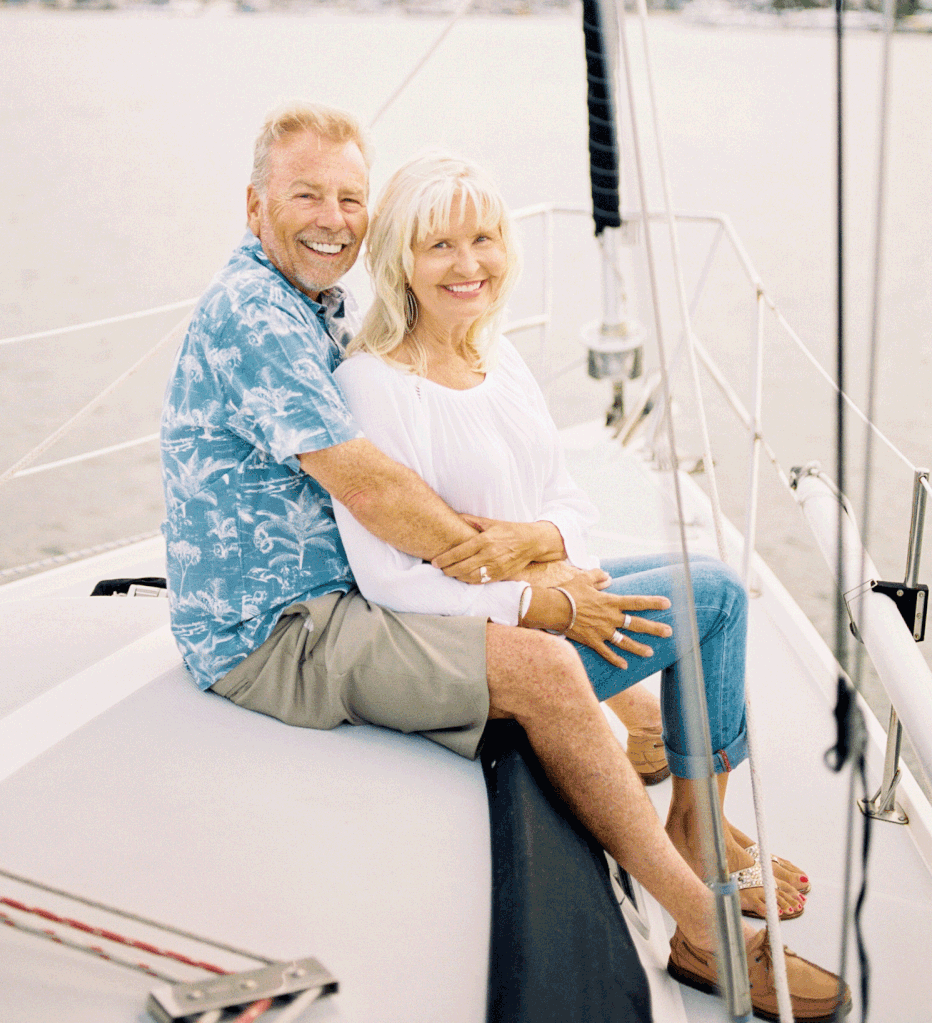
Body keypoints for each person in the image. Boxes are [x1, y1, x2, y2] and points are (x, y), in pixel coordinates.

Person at [161, 102, 847, 1021]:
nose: (332, 217)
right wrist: (541, 597)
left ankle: (695, 820)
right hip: (285, 624)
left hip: (361, 590)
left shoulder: (324, 304)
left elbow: (534, 500)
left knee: (702, 599)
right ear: (255, 207)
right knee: (548, 667)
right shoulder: (260, 314)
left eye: (349, 197)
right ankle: (707, 931)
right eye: (305, 195)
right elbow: (373, 496)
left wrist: (540, 552)